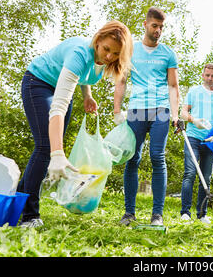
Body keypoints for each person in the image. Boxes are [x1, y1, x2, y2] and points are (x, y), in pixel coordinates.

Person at [17, 20, 133, 228]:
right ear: (97, 39)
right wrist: (58, 154)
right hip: (38, 82)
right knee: (46, 147)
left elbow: (84, 76)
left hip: (60, 89)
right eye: (107, 49)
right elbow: (58, 108)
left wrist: (87, 95)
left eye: (115, 54)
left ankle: (16, 202)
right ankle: (29, 216)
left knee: (49, 144)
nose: (109, 57)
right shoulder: (79, 53)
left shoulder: (102, 60)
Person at [116, 7, 180, 226]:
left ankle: (157, 215)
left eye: (161, 27)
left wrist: (175, 114)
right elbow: (122, 81)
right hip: (136, 109)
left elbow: (173, 86)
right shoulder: (131, 49)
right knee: (132, 158)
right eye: (155, 26)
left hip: (161, 109)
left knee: (157, 157)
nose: (158, 31)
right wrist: (117, 110)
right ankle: (129, 213)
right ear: (145, 24)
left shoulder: (168, 53)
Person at [179, 63, 213, 224]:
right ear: (203, 75)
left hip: (210, 141)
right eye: (207, 75)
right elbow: (183, 112)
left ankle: (202, 214)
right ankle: (185, 212)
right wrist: (194, 120)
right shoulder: (194, 91)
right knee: (190, 173)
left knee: (206, 177)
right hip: (193, 136)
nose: (210, 78)